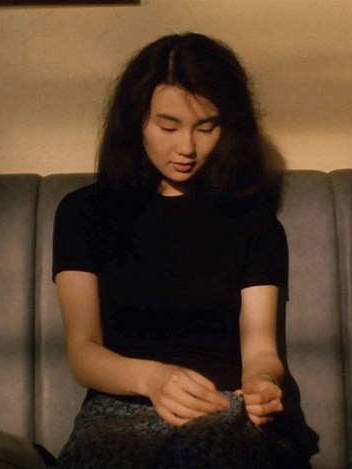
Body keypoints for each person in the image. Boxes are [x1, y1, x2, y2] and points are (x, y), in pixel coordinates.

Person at [52, 32, 318, 468]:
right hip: (121, 410)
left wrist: (263, 384)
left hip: (222, 406)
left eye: (206, 127)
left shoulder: (253, 221)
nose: (187, 148)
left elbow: (260, 350)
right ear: (136, 120)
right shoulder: (84, 213)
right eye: (168, 126)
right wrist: (154, 380)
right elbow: (84, 352)